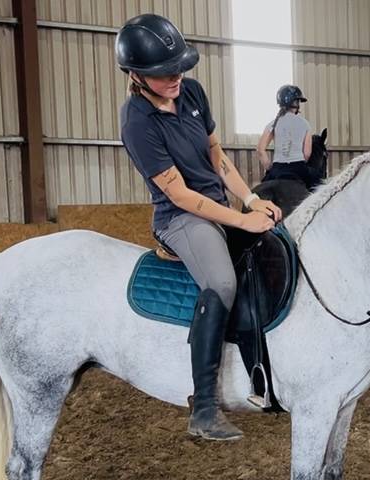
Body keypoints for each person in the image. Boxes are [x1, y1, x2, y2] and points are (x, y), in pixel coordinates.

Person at [116, 14, 282, 442]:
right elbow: (181, 196)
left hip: (220, 204)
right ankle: (204, 407)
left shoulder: (191, 92)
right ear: (136, 76)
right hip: (181, 218)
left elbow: (216, 157)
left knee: (274, 247)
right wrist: (242, 219)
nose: (175, 77)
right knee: (223, 283)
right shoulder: (137, 121)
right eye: (163, 73)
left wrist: (251, 199)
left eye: (178, 68)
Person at [256, 85, 314, 187]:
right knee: (317, 192)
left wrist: (270, 168)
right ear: (296, 103)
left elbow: (260, 150)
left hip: (278, 169)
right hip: (299, 169)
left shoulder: (273, 124)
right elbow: (307, 154)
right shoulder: (305, 124)